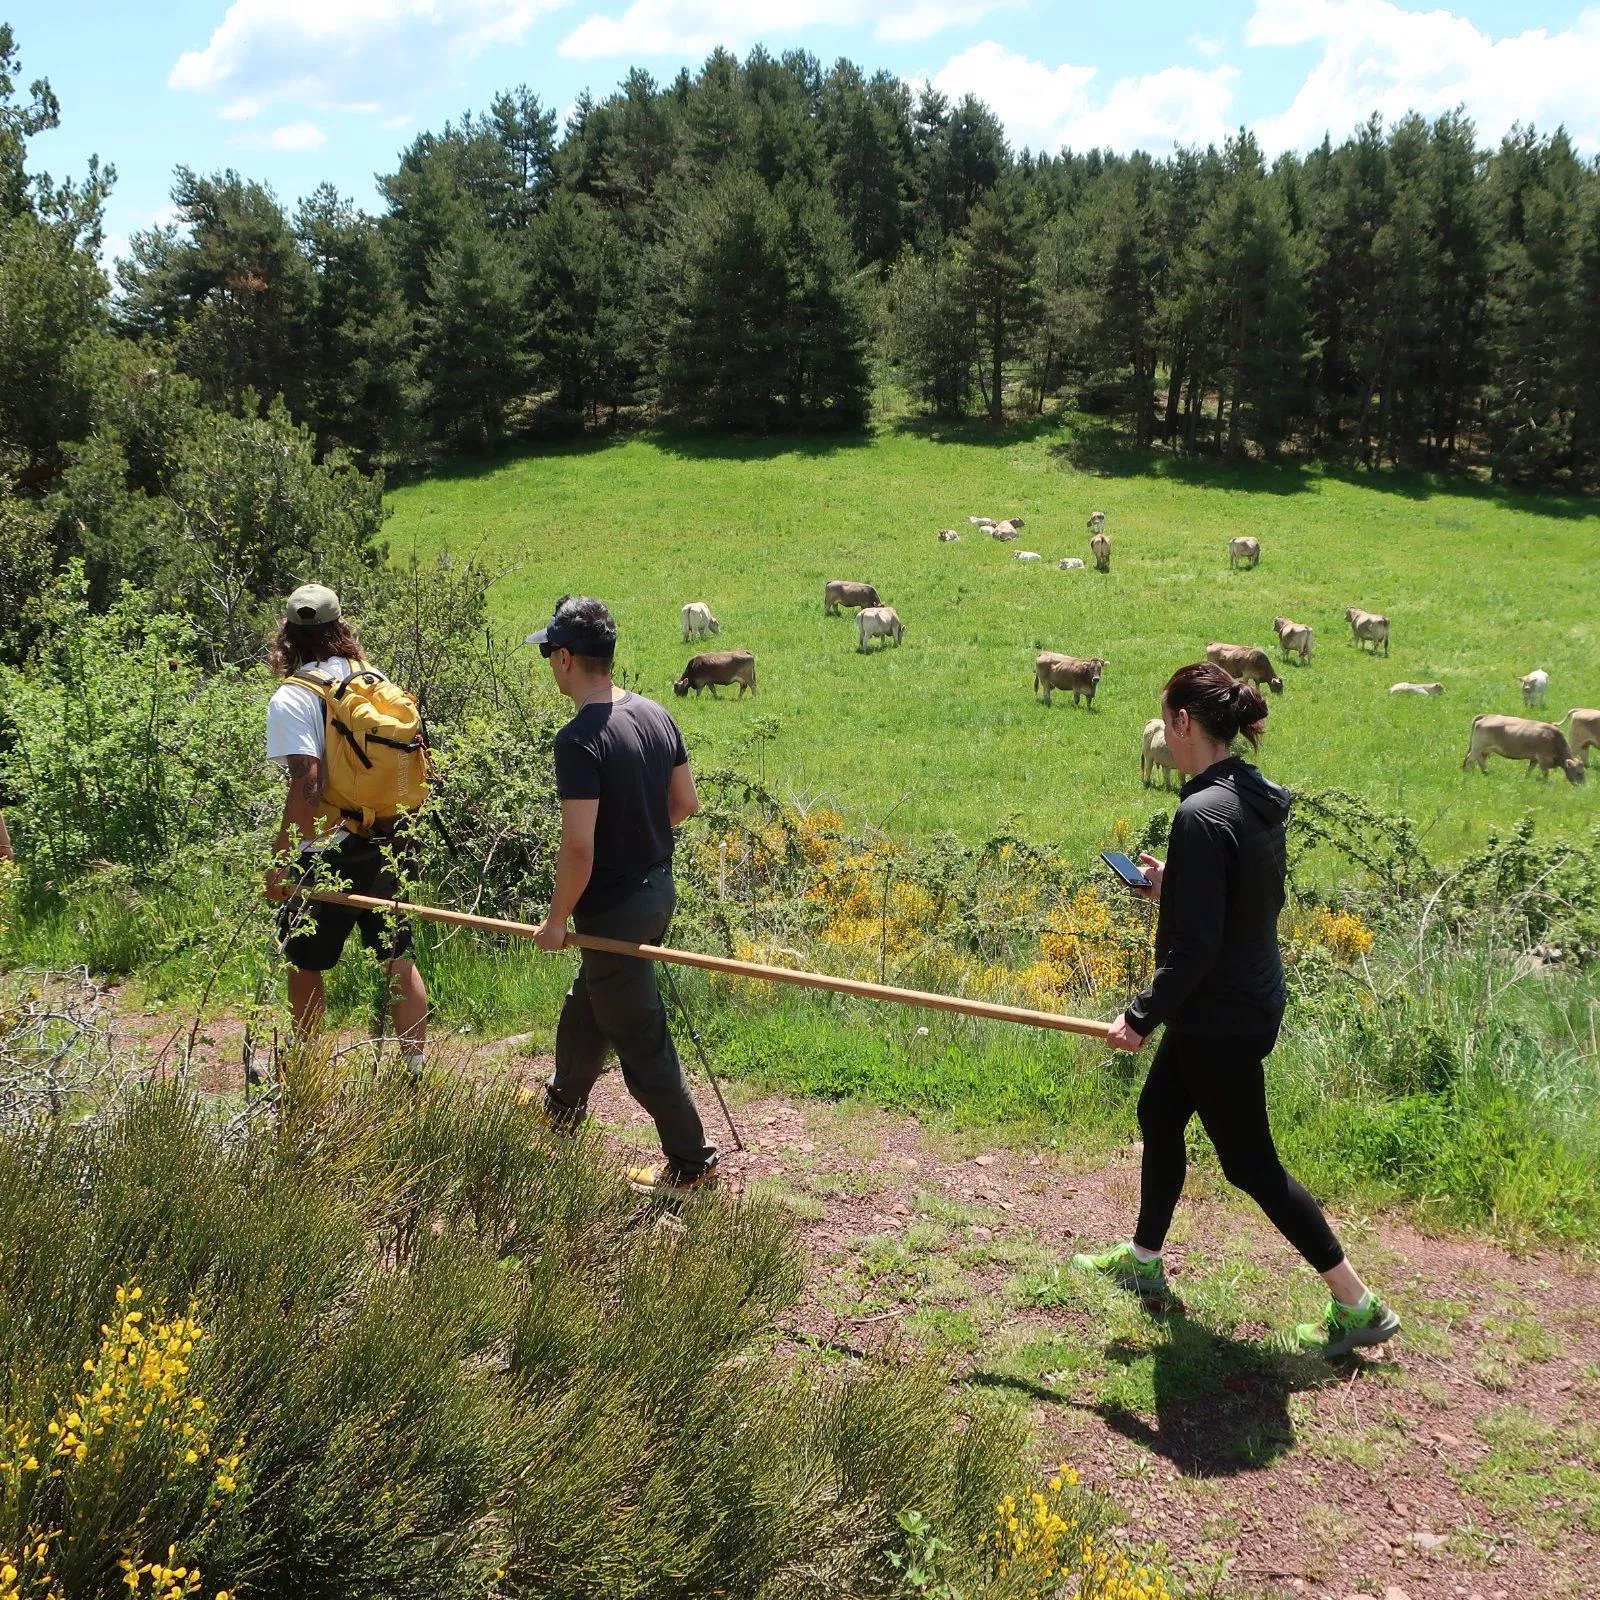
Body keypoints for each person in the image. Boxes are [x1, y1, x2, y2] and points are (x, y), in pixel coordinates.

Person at [1074, 661, 1400, 1358]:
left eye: (1167, 721)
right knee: (1160, 1114)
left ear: (1185, 724)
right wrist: (1174, 883)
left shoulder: (1199, 812)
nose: (1165, 731)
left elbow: (1194, 948)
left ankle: (1358, 1303)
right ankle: (1142, 1260)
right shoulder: (1249, 796)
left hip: (1217, 1013)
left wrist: (1138, 1016)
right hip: (1243, 997)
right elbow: (1242, 900)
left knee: (1251, 1164)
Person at [528, 595, 719, 1198]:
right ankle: (561, 1113)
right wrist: (641, 837)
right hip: (658, 891)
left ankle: (691, 1166)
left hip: (611, 908)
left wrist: (557, 919)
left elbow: (578, 848)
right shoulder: (655, 713)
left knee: (639, 1036)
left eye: (546, 655)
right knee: (592, 1003)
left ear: (564, 658)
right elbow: (685, 803)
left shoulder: (579, 739)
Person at [263, 583, 428, 1078]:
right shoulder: (372, 681)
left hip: (326, 849)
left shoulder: (294, 695)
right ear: (341, 627)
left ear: (288, 636)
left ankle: (308, 1070)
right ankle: (416, 1069)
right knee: (397, 955)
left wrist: (281, 860)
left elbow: (308, 788)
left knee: (304, 960)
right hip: (390, 836)